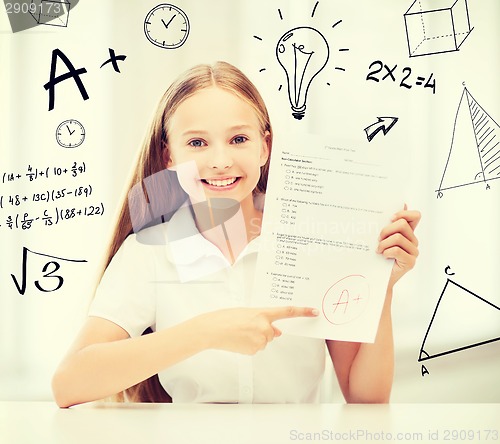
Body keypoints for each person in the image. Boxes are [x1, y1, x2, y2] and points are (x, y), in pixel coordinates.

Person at [51, 61, 421, 408]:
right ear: (169, 157)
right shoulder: (149, 253)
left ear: (265, 147)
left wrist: (381, 286)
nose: (220, 161)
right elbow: (69, 383)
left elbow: (365, 399)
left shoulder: (314, 236)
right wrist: (206, 331)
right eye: (197, 143)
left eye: (238, 139)